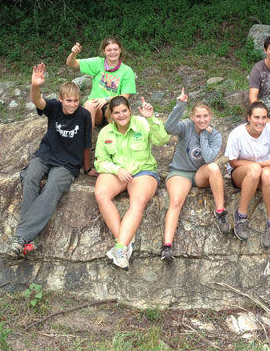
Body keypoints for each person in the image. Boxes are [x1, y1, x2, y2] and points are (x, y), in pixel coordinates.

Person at [9, 64, 96, 257]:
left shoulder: (84, 115)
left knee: (52, 188)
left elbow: (86, 145)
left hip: (67, 164)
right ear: (61, 99)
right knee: (30, 178)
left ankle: (21, 237)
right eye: (68, 101)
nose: (72, 104)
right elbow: (37, 100)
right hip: (45, 155)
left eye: (76, 101)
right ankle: (29, 237)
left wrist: (87, 168)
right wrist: (35, 86)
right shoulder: (54, 107)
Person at [94, 96, 170, 270]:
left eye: (124, 111)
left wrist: (151, 118)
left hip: (143, 170)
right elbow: (100, 162)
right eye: (117, 112)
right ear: (111, 114)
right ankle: (125, 242)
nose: (121, 115)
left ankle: (120, 248)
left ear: (130, 110)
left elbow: (162, 140)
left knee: (138, 201)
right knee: (101, 193)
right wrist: (117, 169)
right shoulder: (106, 132)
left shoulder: (142, 123)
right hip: (119, 172)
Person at [160, 88, 229, 261]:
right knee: (176, 201)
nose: (202, 120)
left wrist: (204, 135)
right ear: (192, 117)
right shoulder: (185, 126)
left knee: (213, 167)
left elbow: (208, 157)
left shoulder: (215, 135)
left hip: (200, 174)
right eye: (198, 116)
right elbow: (169, 128)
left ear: (210, 117)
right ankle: (167, 246)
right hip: (180, 172)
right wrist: (180, 105)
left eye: (205, 116)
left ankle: (220, 212)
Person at [224, 101, 270, 248]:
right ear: (248, 117)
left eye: (264, 117)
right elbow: (233, 162)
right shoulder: (237, 134)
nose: (261, 121)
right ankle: (241, 215)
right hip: (242, 173)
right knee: (255, 169)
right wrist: (263, 164)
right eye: (257, 117)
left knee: (267, 174)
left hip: (264, 173)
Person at [66, 37, 136, 127]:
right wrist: (74, 53)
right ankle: (87, 135)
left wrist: (106, 99)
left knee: (115, 108)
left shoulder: (127, 71)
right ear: (104, 51)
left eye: (115, 49)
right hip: (96, 109)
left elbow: (124, 97)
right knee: (90, 104)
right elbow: (71, 64)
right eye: (109, 50)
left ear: (120, 50)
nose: (112, 52)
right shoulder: (98, 63)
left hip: (114, 108)